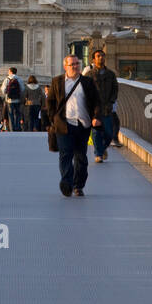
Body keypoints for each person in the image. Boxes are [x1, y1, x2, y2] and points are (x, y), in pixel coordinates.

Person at [47, 54, 101, 197]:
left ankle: (78, 185)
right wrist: (54, 118)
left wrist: (95, 117)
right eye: (72, 64)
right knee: (65, 154)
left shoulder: (88, 82)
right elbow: (50, 101)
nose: (76, 66)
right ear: (65, 66)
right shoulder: (57, 81)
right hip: (64, 124)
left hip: (83, 124)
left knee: (81, 157)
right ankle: (67, 182)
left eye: (77, 64)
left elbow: (96, 101)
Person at [89, 48, 119, 162]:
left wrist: (111, 101)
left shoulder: (111, 74)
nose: (101, 58)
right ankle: (98, 154)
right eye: (98, 56)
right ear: (93, 59)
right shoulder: (89, 74)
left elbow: (115, 89)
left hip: (107, 108)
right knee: (96, 132)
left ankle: (102, 148)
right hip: (94, 109)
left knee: (109, 133)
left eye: (102, 56)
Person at [3, 67, 23, 132]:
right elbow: (22, 89)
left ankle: (12, 128)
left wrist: (6, 93)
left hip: (9, 100)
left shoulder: (7, 79)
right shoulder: (19, 79)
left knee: (10, 114)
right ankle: (17, 127)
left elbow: (3, 89)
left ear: (10, 71)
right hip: (17, 99)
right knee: (17, 114)